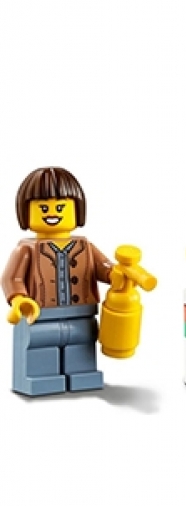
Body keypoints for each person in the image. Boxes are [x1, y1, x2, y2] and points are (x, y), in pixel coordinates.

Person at [4, 167, 121, 396]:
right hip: (39, 314)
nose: (52, 213)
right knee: (39, 344)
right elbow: (11, 277)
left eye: (60, 207)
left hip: (81, 313)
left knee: (82, 342)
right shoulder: (26, 249)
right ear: (25, 212)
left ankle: (82, 374)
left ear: (78, 210)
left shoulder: (85, 247)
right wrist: (19, 299)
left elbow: (103, 268)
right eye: (43, 208)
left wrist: (117, 275)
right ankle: (41, 377)